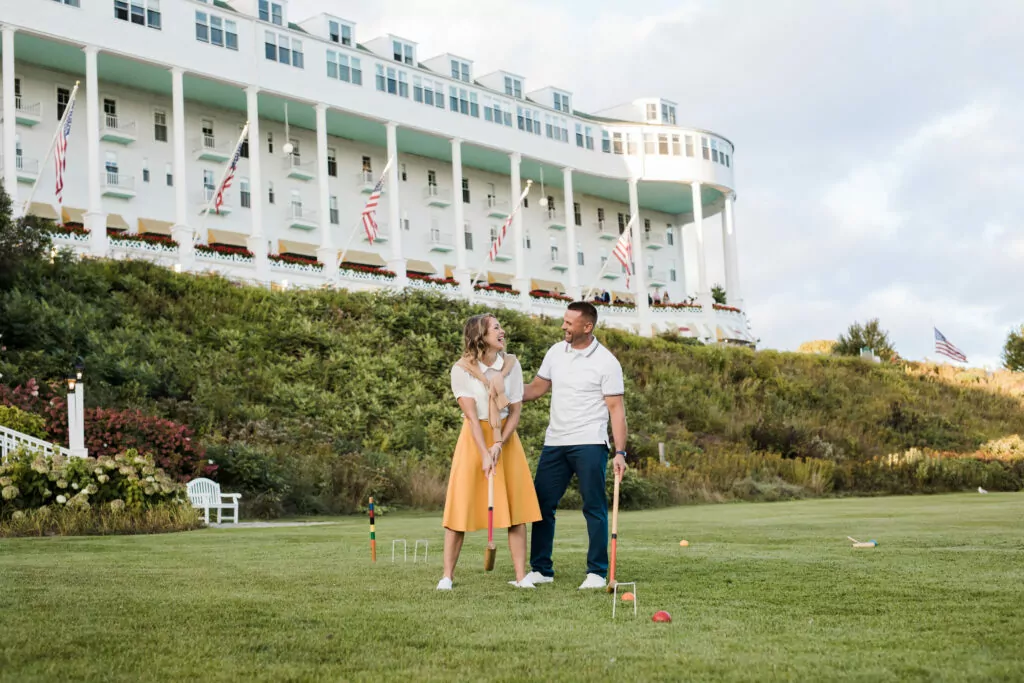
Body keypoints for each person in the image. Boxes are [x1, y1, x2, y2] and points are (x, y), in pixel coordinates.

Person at [521, 301, 628, 589]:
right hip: (555, 442)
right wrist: (502, 393)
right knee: (542, 505)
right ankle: (541, 569)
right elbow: (536, 388)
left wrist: (620, 452)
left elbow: (616, 410)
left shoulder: (607, 362)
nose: (563, 326)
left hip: (590, 442)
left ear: (587, 326)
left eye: (569, 323)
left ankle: (596, 572)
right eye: (564, 321)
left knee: (594, 507)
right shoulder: (556, 352)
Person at [437, 314, 541, 590]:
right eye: (496, 328)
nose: (502, 331)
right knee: (461, 504)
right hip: (474, 439)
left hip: (506, 437)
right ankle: (447, 576)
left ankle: (521, 577)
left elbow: (516, 410)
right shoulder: (461, 369)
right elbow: (471, 417)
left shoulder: (511, 365)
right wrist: (485, 451)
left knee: (516, 509)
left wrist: (498, 445)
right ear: (480, 335)